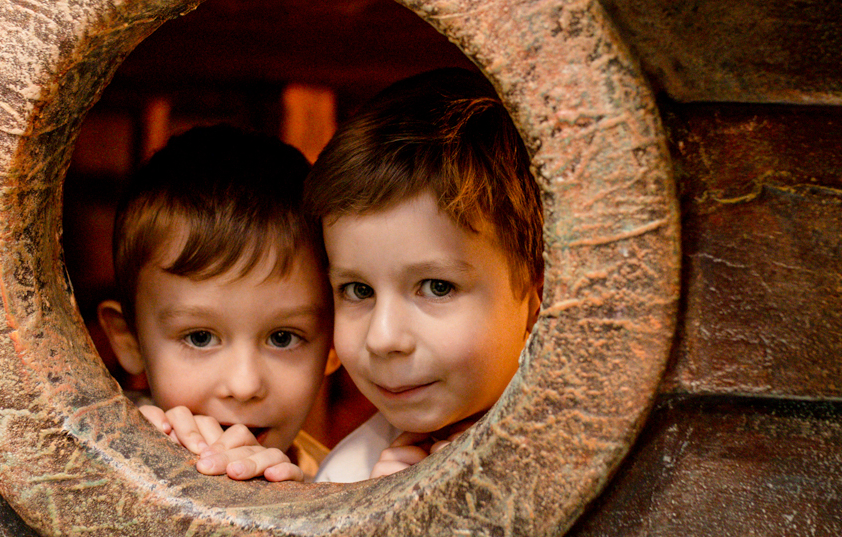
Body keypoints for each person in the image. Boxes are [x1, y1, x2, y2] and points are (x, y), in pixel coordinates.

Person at [306, 67, 543, 481]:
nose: (383, 339)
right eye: (358, 289)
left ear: (536, 301)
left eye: (436, 287)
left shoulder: (588, 452)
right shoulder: (345, 477)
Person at [96, 124, 334, 484]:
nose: (244, 385)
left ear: (335, 344)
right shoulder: (92, 451)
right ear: (129, 340)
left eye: (283, 337)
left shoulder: (342, 481)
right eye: (200, 337)